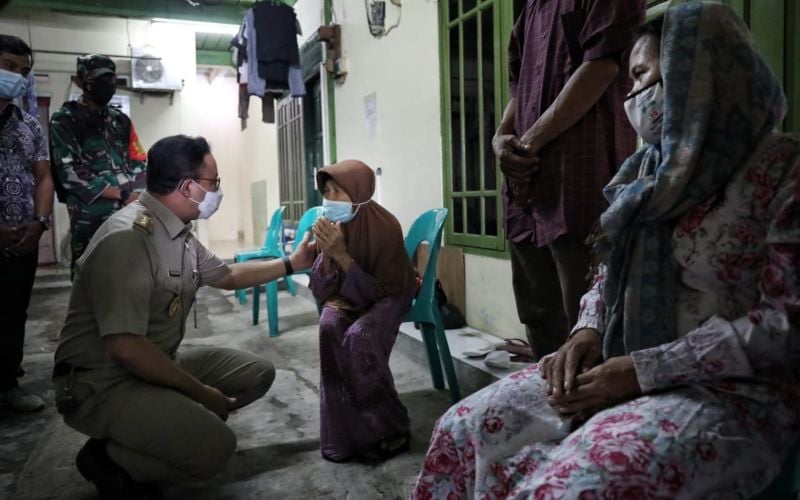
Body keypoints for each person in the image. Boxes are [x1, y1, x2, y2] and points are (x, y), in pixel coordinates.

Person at [412, 3, 800, 498]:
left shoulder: (782, 170)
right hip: (617, 361)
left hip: (727, 389)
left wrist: (646, 370)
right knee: (463, 428)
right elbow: (607, 273)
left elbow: (788, 324)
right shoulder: (644, 175)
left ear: (700, 72)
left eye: (643, 77)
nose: (633, 97)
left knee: (567, 487)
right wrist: (585, 331)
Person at [53, 135, 316, 499]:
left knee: (257, 374)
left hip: (155, 363)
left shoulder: (177, 231)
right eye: (214, 183)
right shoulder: (129, 238)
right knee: (215, 449)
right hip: (102, 383)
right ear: (189, 187)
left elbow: (226, 276)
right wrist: (201, 393)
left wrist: (293, 263)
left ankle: (159, 424)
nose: (217, 192)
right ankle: (109, 459)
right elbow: (125, 347)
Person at [492, 0, 644, 360]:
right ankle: (551, 398)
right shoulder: (531, 8)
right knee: (538, 314)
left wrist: (530, 142)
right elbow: (520, 86)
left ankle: (591, 412)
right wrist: (500, 136)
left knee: (588, 320)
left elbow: (602, 65)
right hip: (526, 185)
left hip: (579, 175)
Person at [309, 160, 416, 463]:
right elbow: (319, 290)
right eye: (326, 191)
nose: (329, 199)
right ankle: (344, 435)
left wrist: (341, 255)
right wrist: (329, 256)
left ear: (358, 193)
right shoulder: (329, 226)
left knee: (360, 337)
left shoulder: (386, 227)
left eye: (338, 191)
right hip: (350, 294)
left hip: (391, 295)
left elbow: (382, 292)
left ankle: (392, 426)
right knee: (329, 324)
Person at [50, 54, 147, 274]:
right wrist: (122, 195)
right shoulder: (65, 119)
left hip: (129, 215)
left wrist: (139, 195)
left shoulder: (120, 120)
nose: (107, 85)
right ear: (81, 82)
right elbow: (70, 172)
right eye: (99, 79)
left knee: (130, 275)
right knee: (90, 279)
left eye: (111, 79)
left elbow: (138, 159)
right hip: (91, 218)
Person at [0, 35, 54, 412]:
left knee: (13, 312)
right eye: (8, 66)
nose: (16, 76)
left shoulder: (29, 126)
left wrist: (39, 222)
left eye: (23, 71)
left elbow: (44, 178)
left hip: (23, 237)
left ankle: (7, 385)